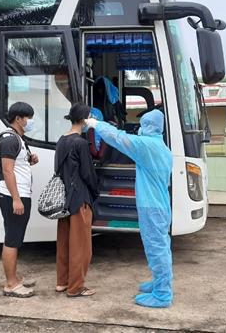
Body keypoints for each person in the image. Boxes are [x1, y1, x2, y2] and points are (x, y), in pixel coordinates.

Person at [86, 109, 174, 308]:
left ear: (148, 126)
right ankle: (158, 282)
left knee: (156, 249)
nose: (140, 127)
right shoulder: (161, 147)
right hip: (159, 204)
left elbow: (118, 138)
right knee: (159, 247)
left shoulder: (146, 146)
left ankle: (162, 294)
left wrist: (96, 124)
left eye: (143, 124)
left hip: (151, 206)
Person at [55, 103, 99, 297]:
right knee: (81, 247)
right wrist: (94, 193)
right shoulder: (81, 143)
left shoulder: (61, 140)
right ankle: (76, 287)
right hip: (80, 198)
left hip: (64, 198)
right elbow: (88, 174)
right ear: (83, 120)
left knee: (64, 243)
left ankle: (62, 283)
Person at [0, 102, 39, 298]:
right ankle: (11, 284)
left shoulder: (18, 138)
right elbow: (7, 170)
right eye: (28, 117)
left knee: (15, 237)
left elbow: (16, 164)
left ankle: (14, 278)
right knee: (12, 239)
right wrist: (16, 199)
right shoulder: (9, 139)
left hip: (20, 193)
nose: (30, 121)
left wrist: (29, 159)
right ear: (18, 119)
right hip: (13, 195)